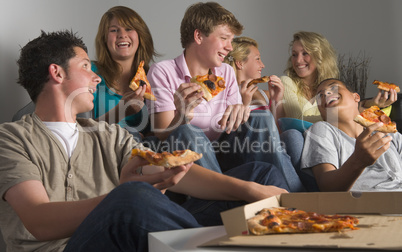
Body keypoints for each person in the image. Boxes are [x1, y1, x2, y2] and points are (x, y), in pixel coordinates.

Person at [0, 30, 289, 252]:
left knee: (259, 175)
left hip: (127, 235)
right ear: (57, 72)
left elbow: (162, 172)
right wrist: (123, 196)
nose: (95, 77)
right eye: (86, 66)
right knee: (131, 197)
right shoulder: (11, 138)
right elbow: (37, 220)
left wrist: (252, 189)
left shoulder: (107, 134)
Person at [146, 2, 305, 192]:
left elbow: (233, 126)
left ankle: (294, 200)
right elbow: (162, 133)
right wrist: (182, 115)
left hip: (227, 151)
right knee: (187, 131)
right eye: (224, 38)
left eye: (231, 40)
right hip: (193, 161)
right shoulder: (163, 71)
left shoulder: (226, 72)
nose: (230, 47)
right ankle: (222, 198)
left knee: (260, 118)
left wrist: (240, 111)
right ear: (198, 36)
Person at [301, 78, 402, 192]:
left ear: (356, 97)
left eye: (333, 87)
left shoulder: (388, 133)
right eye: (320, 96)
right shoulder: (321, 130)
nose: (325, 94)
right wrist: (358, 161)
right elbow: (327, 187)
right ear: (322, 113)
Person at [281, 31, 397, 123]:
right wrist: (346, 115)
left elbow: (347, 109)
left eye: (305, 53)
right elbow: (296, 119)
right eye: (294, 54)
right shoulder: (286, 82)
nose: (298, 60)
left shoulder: (332, 85)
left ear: (320, 56)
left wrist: (370, 104)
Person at [92, 6, 157, 137]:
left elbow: (159, 133)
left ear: (140, 35)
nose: (122, 35)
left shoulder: (153, 77)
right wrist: (121, 111)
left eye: (129, 29)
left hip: (143, 151)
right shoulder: (91, 73)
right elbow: (81, 130)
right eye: (114, 30)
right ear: (104, 39)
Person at [223, 36, 285, 122]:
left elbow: (279, 132)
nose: (262, 65)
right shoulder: (224, 96)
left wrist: (276, 101)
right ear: (240, 63)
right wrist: (244, 104)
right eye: (258, 59)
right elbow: (228, 132)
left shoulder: (267, 95)